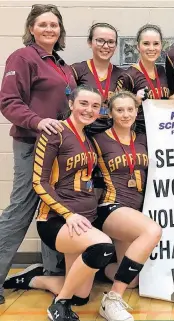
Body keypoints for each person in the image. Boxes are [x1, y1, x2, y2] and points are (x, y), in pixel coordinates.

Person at [0, 4, 76, 305]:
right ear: (31, 28)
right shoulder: (23, 57)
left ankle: (53, 274)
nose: (49, 29)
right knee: (20, 211)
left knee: (54, 210)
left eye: (54, 25)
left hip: (58, 149)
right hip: (33, 144)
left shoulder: (59, 63)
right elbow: (8, 101)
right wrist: (37, 121)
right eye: (43, 24)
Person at [33, 85, 115, 321]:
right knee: (103, 247)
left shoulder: (88, 138)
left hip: (84, 221)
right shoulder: (54, 132)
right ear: (71, 104)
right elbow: (39, 182)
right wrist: (68, 215)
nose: (89, 110)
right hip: (57, 221)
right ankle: (59, 304)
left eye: (95, 106)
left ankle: (32, 278)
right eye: (84, 103)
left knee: (81, 295)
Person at [92, 91, 162, 321]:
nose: (125, 114)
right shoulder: (98, 139)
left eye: (130, 109)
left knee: (131, 281)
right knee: (152, 231)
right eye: (119, 110)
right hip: (111, 207)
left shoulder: (142, 138)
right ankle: (111, 300)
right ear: (110, 112)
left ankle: (93, 270)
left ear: (136, 111)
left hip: (136, 210)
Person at [71, 22, 124, 135]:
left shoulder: (122, 75)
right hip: (83, 133)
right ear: (90, 42)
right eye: (100, 40)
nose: (105, 46)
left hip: (111, 135)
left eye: (111, 42)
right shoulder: (77, 71)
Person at [117, 24, 170, 134]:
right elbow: (115, 110)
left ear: (161, 46)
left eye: (156, 44)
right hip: (140, 135)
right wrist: (135, 101)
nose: (151, 48)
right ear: (138, 46)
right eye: (146, 43)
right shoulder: (128, 76)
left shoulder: (162, 71)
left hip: (164, 132)